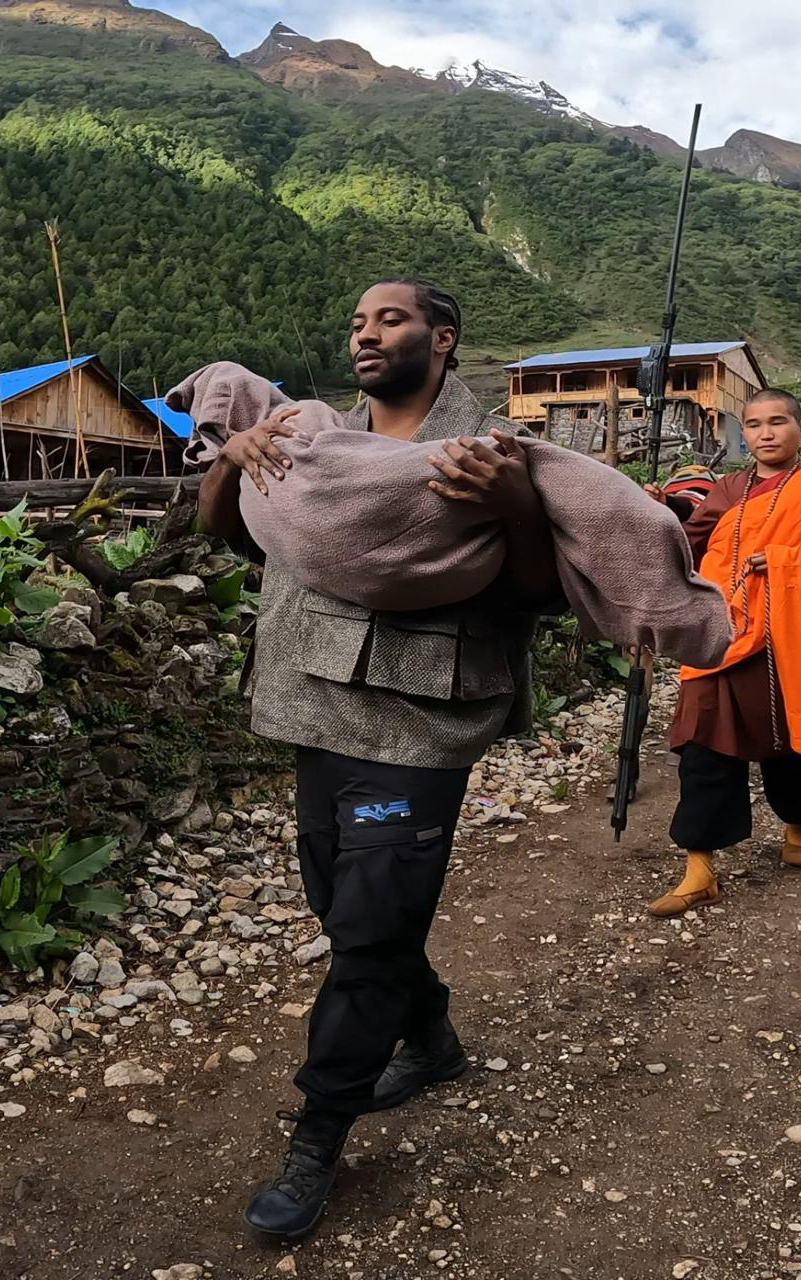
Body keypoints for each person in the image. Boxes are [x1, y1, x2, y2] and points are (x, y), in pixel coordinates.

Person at [196, 278, 563, 1240]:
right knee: (345, 902)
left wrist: (520, 507)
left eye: (389, 319)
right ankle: (431, 1036)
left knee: (363, 931)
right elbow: (221, 533)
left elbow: (545, 592)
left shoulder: (500, 453)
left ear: (441, 339)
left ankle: (317, 1138)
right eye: (356, 321)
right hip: (315, 705)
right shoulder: (309, 438)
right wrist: (231, 458)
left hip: (418, 726)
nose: (366, 333)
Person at [645, 388, 801, 918]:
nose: (766, 433)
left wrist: (790, 561)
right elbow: (690, 541)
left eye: (778, 422)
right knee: (701, 746)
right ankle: (699, 869)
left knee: (794, 742)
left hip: (797, 633)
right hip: (724, 633)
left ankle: (799, 824)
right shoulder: (731, 487)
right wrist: (660, 511)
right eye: (755, 424)